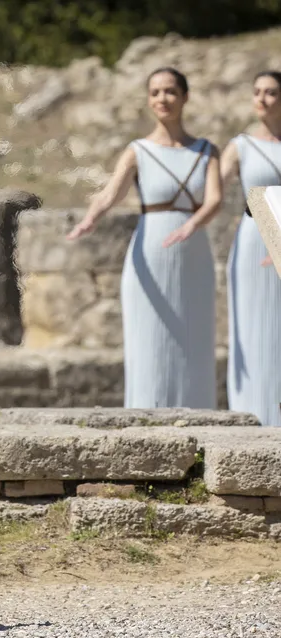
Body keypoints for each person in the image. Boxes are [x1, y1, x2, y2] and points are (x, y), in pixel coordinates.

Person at [66, 67, 222, 409]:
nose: (162, 99)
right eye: (155, 92)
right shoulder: (138, 151)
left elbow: (215, 200)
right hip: (150, 250)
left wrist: (192, 224)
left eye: (169, 91)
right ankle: (147, 414)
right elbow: (111, 193)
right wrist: (89, 219)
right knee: (149, 339)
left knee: (193, 338)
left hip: (193, 253)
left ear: (185, 97)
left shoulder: (206, 151)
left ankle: (198, 413)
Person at [221, 70, 281, 426]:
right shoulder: (240, 145)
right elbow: (210, 192)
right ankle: (254, 415)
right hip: (252, 236)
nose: (262, 98)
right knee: (254, 326)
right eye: (257, 92)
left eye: (271, 92)